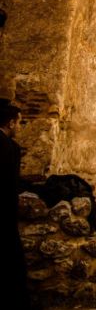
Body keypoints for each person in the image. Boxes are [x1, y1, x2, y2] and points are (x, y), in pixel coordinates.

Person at [0, 101, 30, 308]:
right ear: (11, 123)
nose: (19, 127)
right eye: (19, 122)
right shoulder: (10, 148)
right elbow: (9, 183)